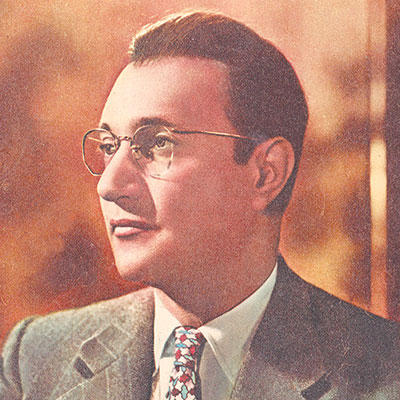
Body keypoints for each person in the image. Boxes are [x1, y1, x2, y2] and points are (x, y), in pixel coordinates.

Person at [1, 10, 399, 400]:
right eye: (108, 147)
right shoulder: (34, 358)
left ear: (266, 173)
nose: (108, 186)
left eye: (158, 143)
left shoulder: (386, 373)